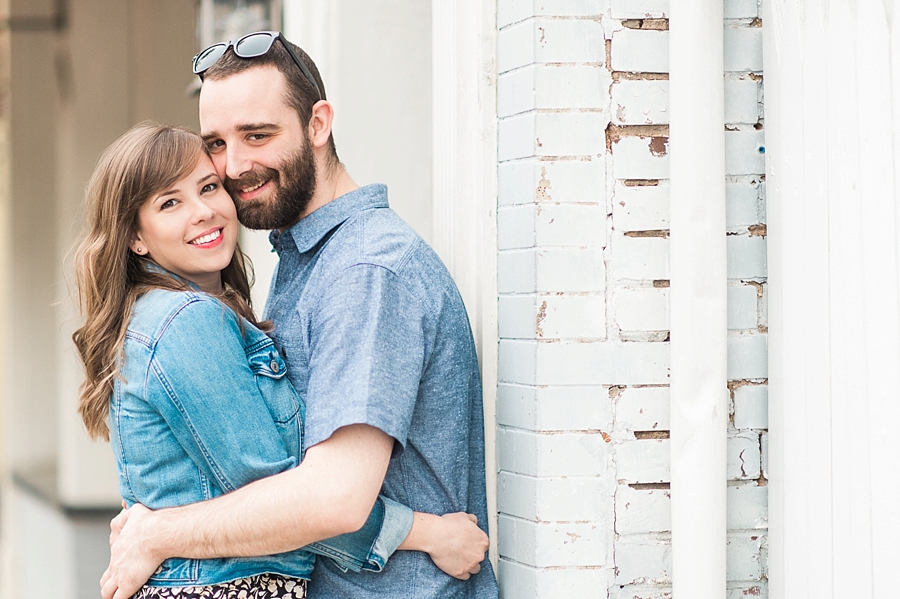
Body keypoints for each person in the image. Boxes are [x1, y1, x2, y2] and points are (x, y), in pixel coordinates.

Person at [102, 31, 498, 599]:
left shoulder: (367, 272)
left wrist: (160, 533)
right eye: (216, 142)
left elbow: (332, 497)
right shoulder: (304, 261)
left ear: (318, 124)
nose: (235, 165)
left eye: (257, 135)